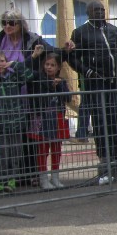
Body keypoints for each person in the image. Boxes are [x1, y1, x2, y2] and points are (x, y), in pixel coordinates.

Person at [69, 1, 117, 182]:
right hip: (95, 84)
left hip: (113, 82)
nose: (100, 12)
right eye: (96, 10)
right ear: (88, 13)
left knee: (114, 118)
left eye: (102, 10)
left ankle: (116, 152)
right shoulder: (80, 32)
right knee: (100, 120)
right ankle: (104, 156)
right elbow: (72, 58)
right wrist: (87, 72)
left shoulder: (113, 30)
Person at [0, 48, 41, 192]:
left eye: (2, 61)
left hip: (16, 123)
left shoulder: (13, 77)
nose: (0, 64)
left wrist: (14, 64)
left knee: (15, 154)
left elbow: (30, 76)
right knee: (1, 155)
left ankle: (11, 181)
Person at [27, 51, 70, 189]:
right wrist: (50, 84)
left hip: (58, 118)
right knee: (42, 149)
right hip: (42, 118)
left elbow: (68, 98)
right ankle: (43, 178)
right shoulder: (38, 78)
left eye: (53, 65)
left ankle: (55, 177)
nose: (49, 67)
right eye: (47, 64)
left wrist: (60, 85)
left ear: (58, 68)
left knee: (56, 148)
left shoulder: (61, 81)